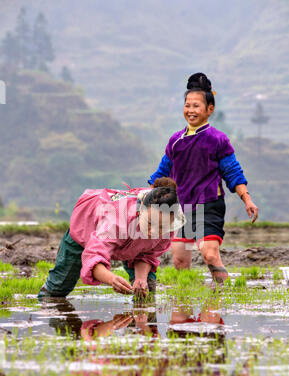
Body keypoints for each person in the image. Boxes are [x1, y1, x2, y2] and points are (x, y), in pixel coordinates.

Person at [148, 73, 259, 285]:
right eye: (187, 105)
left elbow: (233, 172)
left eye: (196, 106)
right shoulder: (175, 141)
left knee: (209, 254)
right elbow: (162, 172)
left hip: (208, 205)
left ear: (210, 109)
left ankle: (223, 295)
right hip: (180, 207)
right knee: (180, 260)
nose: (191, 110)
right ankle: (184, 309)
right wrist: (142, 196)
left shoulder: (218, 139)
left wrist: (247, 199)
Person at [38, 178, 184, 299]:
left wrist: (140, 278)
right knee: (58, 288)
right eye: (150, 223)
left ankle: (138, 331)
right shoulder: (116, 219)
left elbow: (147, 254)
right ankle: (45, 306)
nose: (154, 232)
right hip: (85, 233)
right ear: (140, 212)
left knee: (146, 292)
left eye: (161, 227)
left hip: (133, 245)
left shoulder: (170, 226)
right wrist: (111, 279)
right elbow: (93, 256)